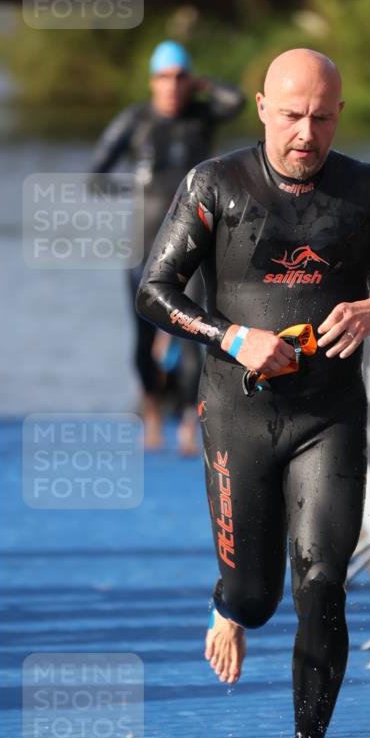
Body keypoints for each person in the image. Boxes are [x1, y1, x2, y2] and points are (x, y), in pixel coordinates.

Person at [135, 48, 370, 738]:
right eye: (290, 114)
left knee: (323, 585)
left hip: (327, 417)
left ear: (338, 114)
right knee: (257, 594)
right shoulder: (216, 185)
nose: (304, 132)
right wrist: (229, 335)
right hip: (236, 412)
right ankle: (231, 604)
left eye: (319, 116)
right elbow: (155, 289)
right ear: (261, 108)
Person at [89, 40, 245, 452]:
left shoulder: (201, 116)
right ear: (152, 81)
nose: (172, 86)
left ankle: (190, 429)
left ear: (188, 81)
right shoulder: (136, 120)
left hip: (194, 248)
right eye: (164, 77)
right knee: (142, 342)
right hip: (143, 246)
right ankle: (153, 410)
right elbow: (96, 169)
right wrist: (115, 187)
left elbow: (238, 100)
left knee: (196, 335)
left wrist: (203, 85)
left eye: (180, 78)